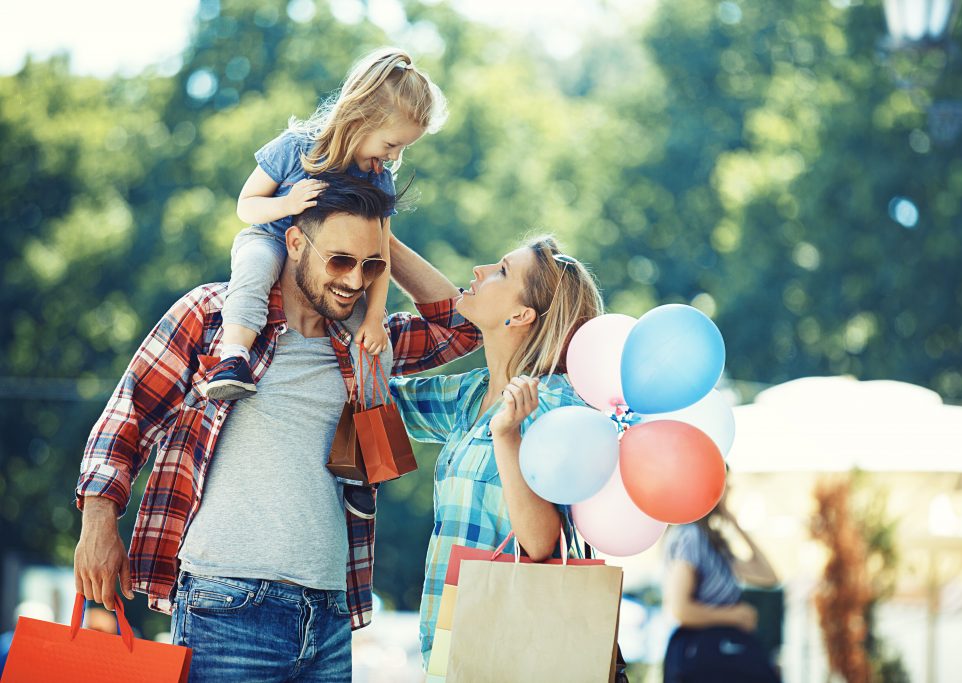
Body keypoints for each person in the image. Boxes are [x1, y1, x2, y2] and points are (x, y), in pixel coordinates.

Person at [73, 180, 480, 682]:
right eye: (339, 260)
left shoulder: (367, 340)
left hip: (330, 614)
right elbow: (127, 416)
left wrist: (381, 238)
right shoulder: (215, 317)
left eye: (369, 266)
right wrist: (97, 521)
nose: (355, 280)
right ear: (292, 243)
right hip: (227, 607)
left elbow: (465, 327)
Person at [388, 235, 605, 667]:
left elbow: (542, 541)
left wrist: (507, 437)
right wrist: (379, 241)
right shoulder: (471, 396)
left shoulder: (557, 404)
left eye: (501, 271)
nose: (479, 271)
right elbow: (376, 397)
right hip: (451, 637)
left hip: (507, 647)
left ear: (521, 314)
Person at [206, 46, 446, 400]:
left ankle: (370, 412)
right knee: (254, 272)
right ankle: (233, 357)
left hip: (337, 271)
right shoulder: (295, 148)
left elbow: (380, 254)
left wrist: (375, 317)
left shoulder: (378, 178)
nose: (395, 156)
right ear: (361, 118)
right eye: (392, 144)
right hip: (271, 237)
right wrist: (287, 204)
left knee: (371, 339)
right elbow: (246, 206)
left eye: (403, 149)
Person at [661, 484, 782, 683]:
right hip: (703, 651)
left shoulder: (714, 544)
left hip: (721, 649)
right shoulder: (690, 536)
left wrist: (734, 521)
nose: (730, 491)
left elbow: (769, 577)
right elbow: (680, 609)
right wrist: (733, 616)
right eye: (725, 486)